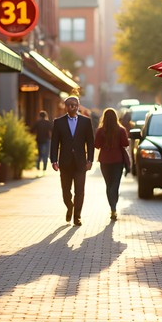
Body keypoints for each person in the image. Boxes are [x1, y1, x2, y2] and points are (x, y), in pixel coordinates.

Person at [50, 95, 95, 226]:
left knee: (80, 191)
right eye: (69, 104)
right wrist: (53, 160)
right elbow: (54, 143)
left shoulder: (86, 122)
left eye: (75, 104)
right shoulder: (58, 122)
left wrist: (90, 160)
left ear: (78, 106)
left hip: (80, 163)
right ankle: (69, 207)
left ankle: (77, 216)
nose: (72, 106)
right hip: (65, 162)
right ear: (65, 106)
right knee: (65, 191)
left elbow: (90, 142)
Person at [94, 107, 130, 220]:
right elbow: (125, 143)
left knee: (109, 185)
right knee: (115, 185)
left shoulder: (100, 131)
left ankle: (112, 208)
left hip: (104, 160)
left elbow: (96, 145)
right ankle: (114, 208)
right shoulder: (121, 130)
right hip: (117, 161)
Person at [32, 110, 53, 174]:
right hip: (47, 139)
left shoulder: (37, 122)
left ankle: (38, 166)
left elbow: (32, 130)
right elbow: (52, 129)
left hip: (39, 140)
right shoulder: (47, 122)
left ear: (39, 116)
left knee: (39, 154)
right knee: (46, 154)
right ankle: (44, 167)